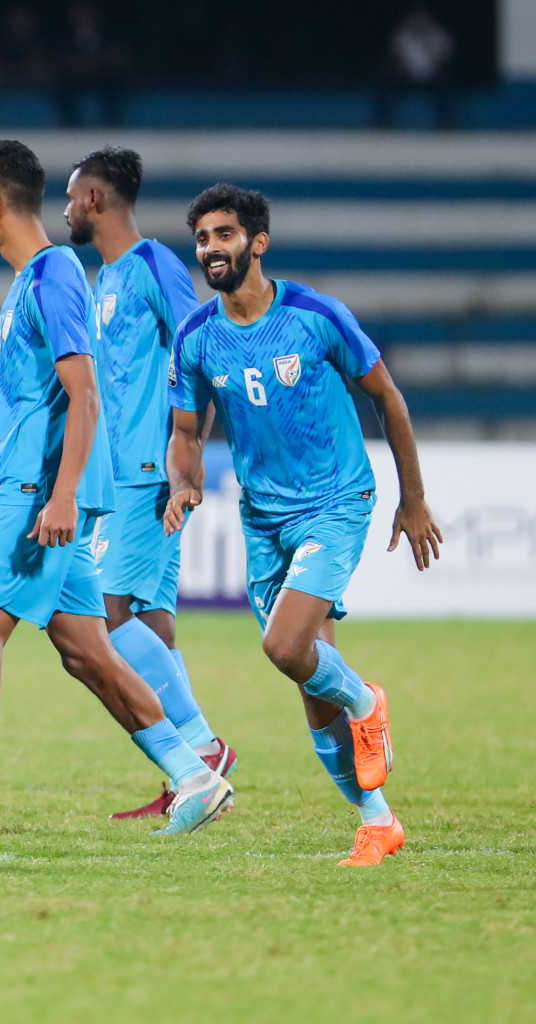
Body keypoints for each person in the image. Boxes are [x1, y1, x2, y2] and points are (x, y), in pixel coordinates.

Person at [0, 140, 233, 837]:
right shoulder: (36, 280)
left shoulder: (55, 275)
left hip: (38, 496)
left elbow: (85, 392)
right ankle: (195, 775)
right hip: (28, 482)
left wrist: (63, 495)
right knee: (88, 652)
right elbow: (40, 405)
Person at [166, 183, 441, 866]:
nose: (211, 249)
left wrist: (413, 500)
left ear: (257, 242)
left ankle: (367, 701)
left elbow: (389, 399)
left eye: (224, 235)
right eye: (202, 238)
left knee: (287, 648)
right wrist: (184, 479)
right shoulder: (197, 336)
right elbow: (185, 430)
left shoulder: (315, 316)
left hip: (335, 502)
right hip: (263, 518)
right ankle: (377, 821)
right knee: (310, 688)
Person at [62, 146, 236, 820]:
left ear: (97, 200)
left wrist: (183, 464)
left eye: (73, 197)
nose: (67, 210)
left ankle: (201, 749)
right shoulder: (102, 279)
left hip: (146, 472)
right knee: (153, 624)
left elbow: (202, 348)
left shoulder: (155, 264)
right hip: (116, 472)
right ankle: (188, 773)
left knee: (104, 618)